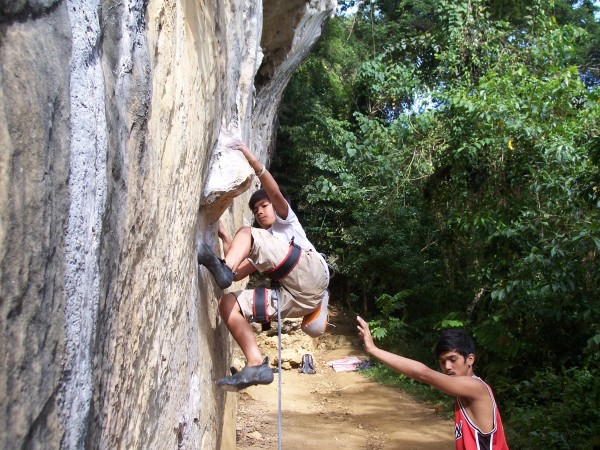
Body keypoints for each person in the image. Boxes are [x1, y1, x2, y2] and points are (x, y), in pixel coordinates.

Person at [198, 139, 330, 391]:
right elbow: (235, 276)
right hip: (297, 299)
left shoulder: (286, 222)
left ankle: (223, 264)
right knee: (228, 305)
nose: (260, 211)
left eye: (263, 205)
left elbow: (275, 191)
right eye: (255, 208)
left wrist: (250, 157)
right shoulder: (266, 247)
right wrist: (226, 237)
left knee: (248, 234)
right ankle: (256, 364)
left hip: (312, 274)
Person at [356, 317, 509, 450]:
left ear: (470, 359)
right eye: (442, 362)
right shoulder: (464, 392)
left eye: (453, 359)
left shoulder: (476, 387)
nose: (447, 367)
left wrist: (373, 349)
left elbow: (423, 374)